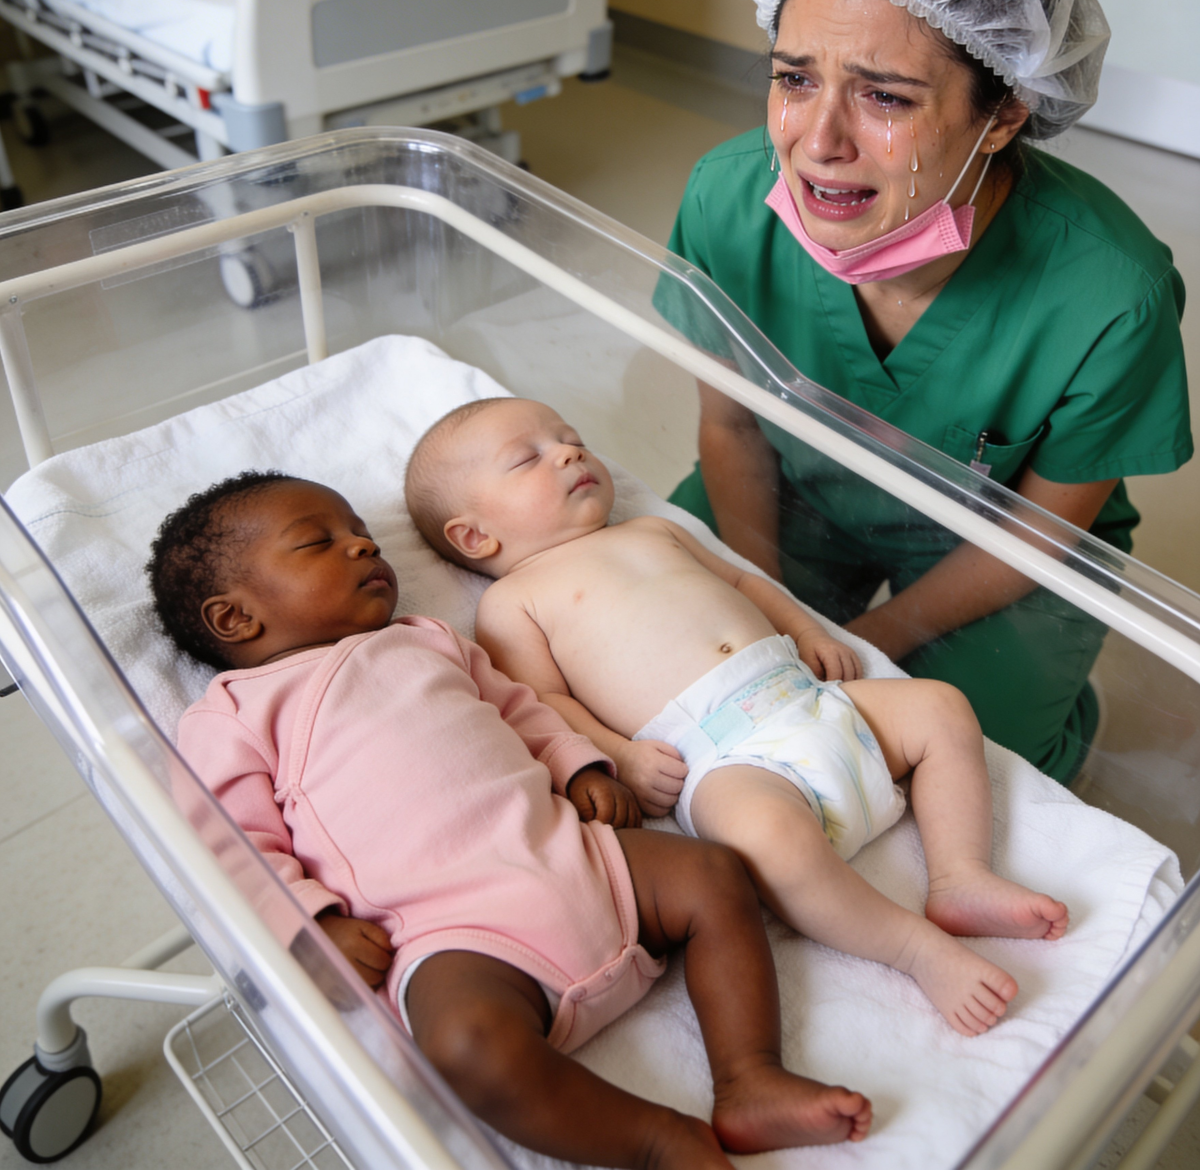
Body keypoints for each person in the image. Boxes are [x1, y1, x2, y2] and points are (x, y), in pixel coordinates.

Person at [149, 471, 872, 1167]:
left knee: (715, 872)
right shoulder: (233, 714)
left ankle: (750, 1077)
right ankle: (653, 1141)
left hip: (576, 857)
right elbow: (229, 840)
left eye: (362, 532)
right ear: (236, 616)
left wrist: (577, 764)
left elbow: (520, 707)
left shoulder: (429, 638)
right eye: (318, 542)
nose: (363, 546)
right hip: (452, 932)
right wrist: (307, 920)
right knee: (464, 1047)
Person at [652, 0, 1193, 785]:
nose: (817, 142)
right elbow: (734, 423)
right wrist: (767, 607)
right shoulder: (727, 201)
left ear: (1006, 114)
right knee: (659, 663)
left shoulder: (1111, 292)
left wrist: (860, 645)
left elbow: (1039, 532)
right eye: (793, 77)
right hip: (800, 490)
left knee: (965, 769)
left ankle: (1057, 702)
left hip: (999, 552)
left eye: (884, 95)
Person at [405, 396, 1069, 1040]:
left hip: (806, 696)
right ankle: (915, 949)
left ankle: (961, 875)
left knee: (940, 707)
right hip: (723, 758)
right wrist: (622, 756)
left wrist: (806, 631)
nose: (569, 450)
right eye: (528, 458)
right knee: (770, 841)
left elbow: (750, 584)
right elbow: (546, 704)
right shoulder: (514, 602)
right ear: (474, 535)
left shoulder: (653, 530)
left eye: (568, 435)